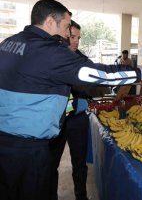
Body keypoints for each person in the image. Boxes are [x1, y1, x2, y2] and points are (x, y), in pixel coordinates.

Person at [0, 0, 142, 200]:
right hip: (29, 150)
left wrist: (76, 105)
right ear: (50, 21)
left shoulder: (8, 43)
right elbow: (100, 75)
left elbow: (34, 90)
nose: (68, 34)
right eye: (67, 27)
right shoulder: (49, 51)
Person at [49, 20, 90, 200]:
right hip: (57, 119)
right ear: (64, 35)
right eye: (72, 37)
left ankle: (81, 196)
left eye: (78, 38)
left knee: (80, 164)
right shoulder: (53, 58)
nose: (76, 41)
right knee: (51, 164)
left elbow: (93, 82)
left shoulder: (82, 59)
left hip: (77, 120)